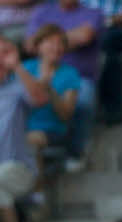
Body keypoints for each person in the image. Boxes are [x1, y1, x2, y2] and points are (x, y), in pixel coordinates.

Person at [0, 33, 47, 222]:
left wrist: (17, 66)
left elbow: (40, 98)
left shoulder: (17, 87)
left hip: (18, 167)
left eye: (4, 52)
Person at [23, 24, 80, 159]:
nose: (56, 47)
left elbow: (66, 115)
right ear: (38, 46)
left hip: (52, 131)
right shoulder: (25, 68)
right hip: (21, 126)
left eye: (60, 43)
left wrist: (49, 90)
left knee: (27, 140)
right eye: (50, 42)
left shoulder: (70, 73)